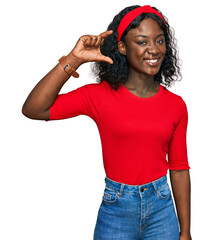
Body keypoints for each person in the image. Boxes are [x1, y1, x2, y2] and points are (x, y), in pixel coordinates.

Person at [22, 5, 192, 240]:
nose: (153, 49)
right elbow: (34, 109)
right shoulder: (98, 96)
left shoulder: (176, 105)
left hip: (162, 208)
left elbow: (180, 167)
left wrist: (185, 231)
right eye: (142, 42)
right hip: (117, 209)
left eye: (160, 41)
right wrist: (74, 59)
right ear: (122, 47)